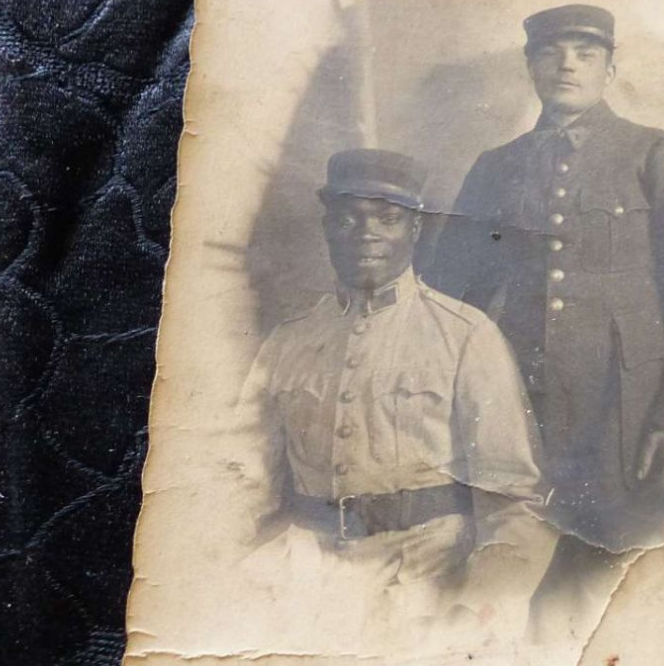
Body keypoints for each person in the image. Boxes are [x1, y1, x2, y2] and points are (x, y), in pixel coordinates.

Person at [428, 4, 664, 557]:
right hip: (517, 408)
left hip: (629, 414)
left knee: (618, 569)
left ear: (610, 70)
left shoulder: (655, 154)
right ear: (531, 68)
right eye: (551, 52)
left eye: (586, 54)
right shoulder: (496, 167)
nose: (567, 65)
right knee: (516, 564)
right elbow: (448, 297)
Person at [235, 148, 555, 638]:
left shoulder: (465, 336)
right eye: (349, 217)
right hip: (300, 580)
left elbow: (513, 506)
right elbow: (241, 488)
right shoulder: (287, 343)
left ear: (415, 229)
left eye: (387, 218)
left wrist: (476, 609)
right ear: (327, 229)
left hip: (425, 583)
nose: (367, 233)